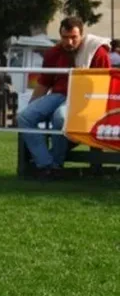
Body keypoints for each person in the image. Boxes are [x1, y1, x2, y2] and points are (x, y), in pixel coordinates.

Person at [17, 17, 111, 178]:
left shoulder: (97, 52)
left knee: (60, 117)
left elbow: (105, 84)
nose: (69, 42)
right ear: (60, 36)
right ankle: (46, 164)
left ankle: (55, 164)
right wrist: (33, 105)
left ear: (82, 35)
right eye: (65, 37)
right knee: (24, 117)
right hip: (58, 94)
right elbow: (44, 82)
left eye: (73, 37)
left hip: (85, 97)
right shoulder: (53, 53)